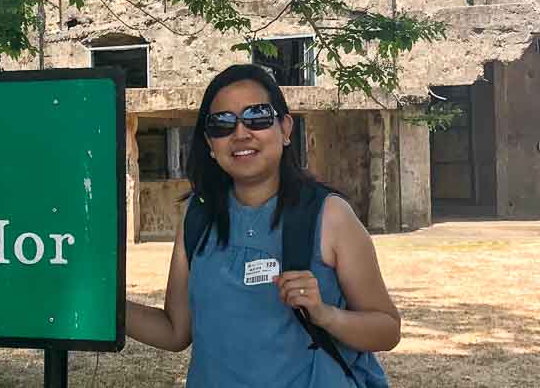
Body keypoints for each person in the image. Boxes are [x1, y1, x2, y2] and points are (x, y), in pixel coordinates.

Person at [125, 64, 400, 387]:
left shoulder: (329, 216)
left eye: (257, 116)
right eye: (222, 124)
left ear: (285, 129)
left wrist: (325, 314)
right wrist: (103, 303)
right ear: (210, 143)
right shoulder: (197, 216)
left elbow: (387, 330)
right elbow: (174, 330)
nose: (240, 133)